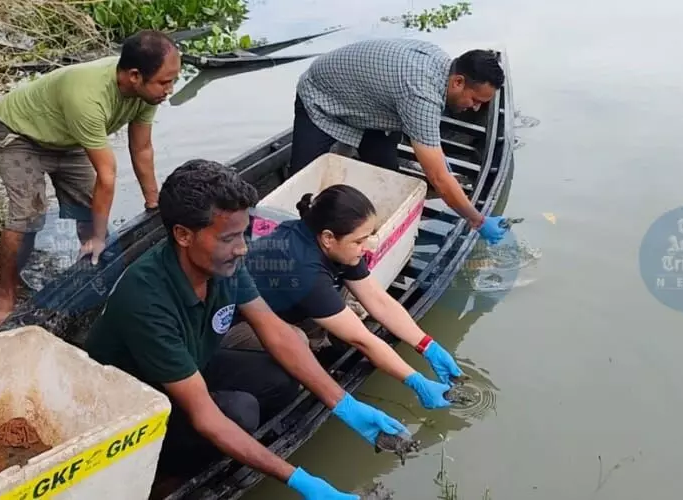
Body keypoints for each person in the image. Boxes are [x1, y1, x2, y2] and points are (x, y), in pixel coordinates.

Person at [85, 159, 408, 500]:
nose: (242, 247)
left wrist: (345, 405)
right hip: (133, 408)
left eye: (243, 232)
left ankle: (231, 453)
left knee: (281, 377)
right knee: (239, 412)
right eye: (228, 237)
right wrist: (299, 479)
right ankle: (167, 478)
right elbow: (206, 416)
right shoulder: (146, 299)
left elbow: (275, 331)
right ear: (183, 235)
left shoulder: (223, 262)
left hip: (190, 365)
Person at [0, 29, 180, 327]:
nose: (170, 89)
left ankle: (90, 278)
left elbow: (141, 149)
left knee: (91, 209)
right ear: (134, 76)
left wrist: (153, 202)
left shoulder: (147, 95)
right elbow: (107, 175)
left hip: (69, 137)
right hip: (21, 133)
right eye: (165, 82)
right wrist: (99, 237)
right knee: (27, 215)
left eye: (174, 80)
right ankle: (5, 293)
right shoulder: (88, 96)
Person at [231, 184, 466, 410]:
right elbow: (361, 340)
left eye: (368, 237)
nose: (366, 247)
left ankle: (319, 348)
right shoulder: (303, 267)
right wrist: (416, 381)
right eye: (359, 241)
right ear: (328, 238)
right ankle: (298, 382)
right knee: (297, 340)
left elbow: (378, 300)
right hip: (234, 327)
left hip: (283, 306)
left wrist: (427, 345)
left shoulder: (338, 245)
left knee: (346, 297)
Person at [289, 38, 509, 245]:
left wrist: (441, 163)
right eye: (475, 100)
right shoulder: (421, 95)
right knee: (300, 188)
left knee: (387, 179)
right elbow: (439, 179)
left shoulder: (443, 67)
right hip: (321, 96)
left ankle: (372, 235)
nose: (476, 108)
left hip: (374, 110)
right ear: (458, 82)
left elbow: (433, 152)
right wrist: (478, 221)